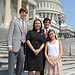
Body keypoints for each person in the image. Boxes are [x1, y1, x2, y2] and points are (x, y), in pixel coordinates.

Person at [7, 8, 28, 75]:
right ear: (20, 13)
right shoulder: (14, 21)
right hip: (14, 45)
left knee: (20, 63)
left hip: (22, 45)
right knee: (11, 63)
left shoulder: (26, 23)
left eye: (25, 13)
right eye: (23, 12)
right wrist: (9, 44)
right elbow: (10, 33)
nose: (24, 14)